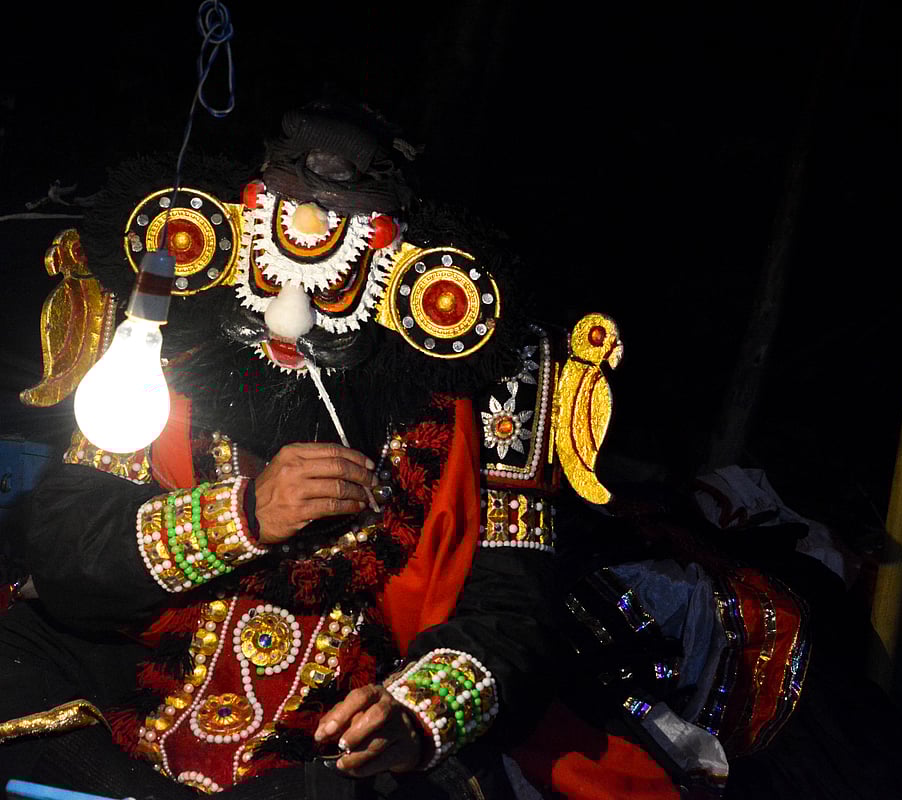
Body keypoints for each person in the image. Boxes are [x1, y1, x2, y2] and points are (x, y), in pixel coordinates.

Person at [0, 105, 566, 799]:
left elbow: (514, 611)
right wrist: (242, 516)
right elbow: (64, 551)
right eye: (274, 267)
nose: (291, 312)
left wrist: (413, 718)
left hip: (338, 728)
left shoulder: (490, 374)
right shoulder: (161, 330)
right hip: (146, 679)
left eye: (335, 275)